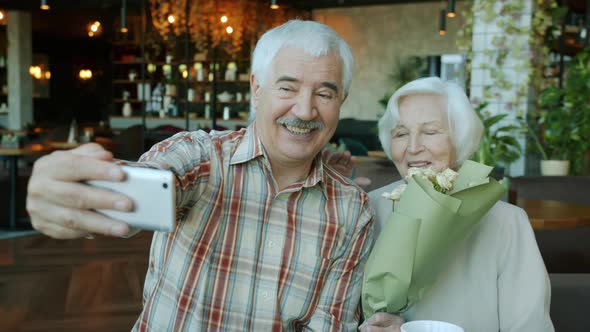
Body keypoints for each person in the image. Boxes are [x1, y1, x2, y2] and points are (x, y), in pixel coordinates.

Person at [26, 20, 374, 331]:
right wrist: (80, 190)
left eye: (324, 93)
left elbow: (330, 324)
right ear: (256, 88)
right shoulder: (201, 158)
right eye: (287, 88)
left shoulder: (351, 209)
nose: (304, 109)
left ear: (341, 100)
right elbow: (147, 184)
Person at [358, 77, 553, 332]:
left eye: (430, 132)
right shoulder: (367, 210)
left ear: (460, 139)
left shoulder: (507, 222)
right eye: (401, 133)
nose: (413, 147)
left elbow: (530, 327)